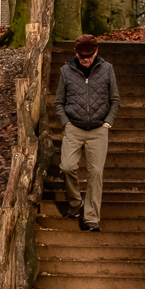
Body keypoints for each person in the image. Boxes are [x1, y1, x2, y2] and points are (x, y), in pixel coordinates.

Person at [54, 34, 120, 232]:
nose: (86, 60)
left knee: (96, 173)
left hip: (99, 129)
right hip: (74, 127)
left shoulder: (107, 69)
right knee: (66, 167)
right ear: (76, 53)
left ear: (96, 52)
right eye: (82, 56)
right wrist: (66, 123)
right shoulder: (66, 71)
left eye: (89, 56)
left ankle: (91, 218)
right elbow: (58, 102)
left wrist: (108, 122)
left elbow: (115, 100)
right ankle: (75, 203)